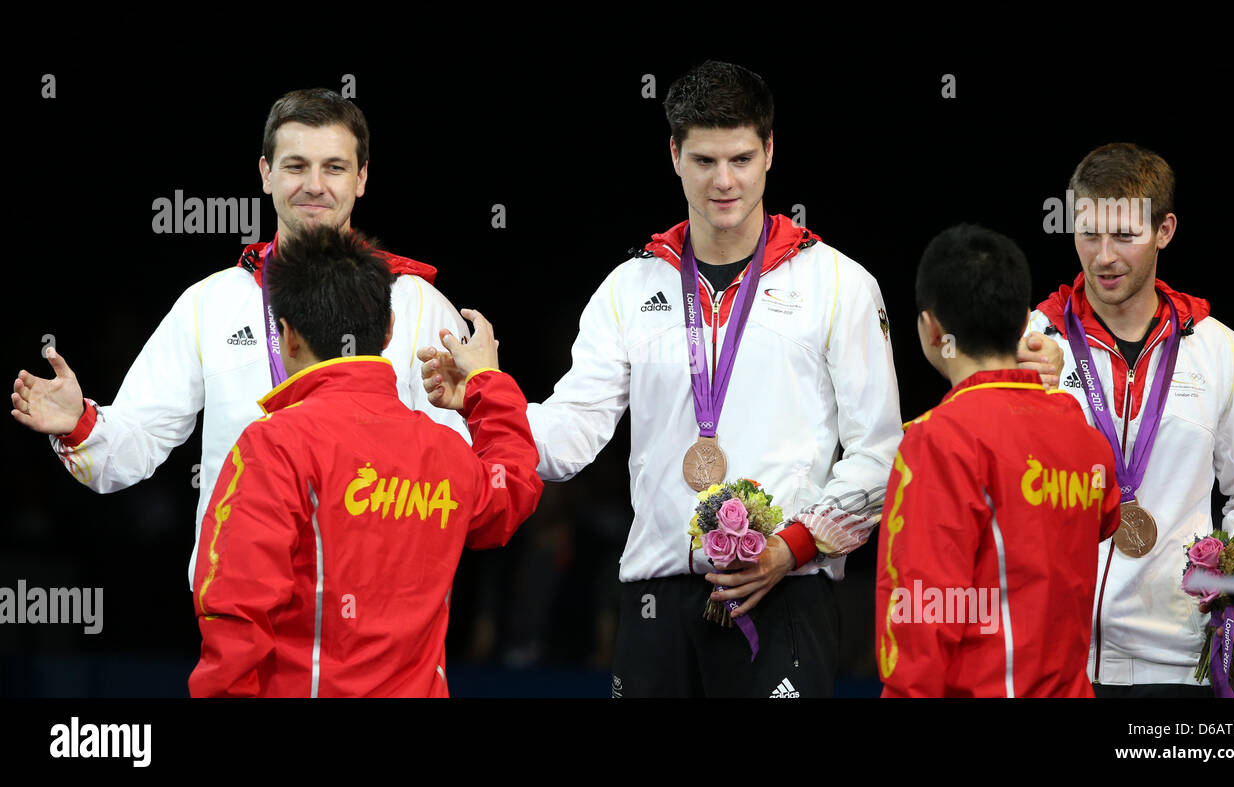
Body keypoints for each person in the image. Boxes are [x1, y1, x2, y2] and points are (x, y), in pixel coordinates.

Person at [423, 61, 1064, 697]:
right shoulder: (630, 287)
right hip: (656, 600)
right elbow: (568, 436)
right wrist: (484, 395)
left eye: (741, 159)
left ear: (770, 151)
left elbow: (879, 451)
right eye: (704, 161)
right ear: (673, 155)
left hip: (787, 588)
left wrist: (794, 546)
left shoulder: (838, 284)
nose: (723, 182)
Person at [11, 88, 470, 589]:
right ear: (265, 173)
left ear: (361, 178)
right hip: (246, 606)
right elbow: (132, 446)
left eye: (334, 168)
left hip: (381, 610)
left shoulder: (418, 304)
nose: (314, 186)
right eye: (295, 166)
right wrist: (79, 423)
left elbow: (461, 473)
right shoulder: (210, 304)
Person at [188, 226, 541, 697]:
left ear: (287, 336)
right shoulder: (446, 453)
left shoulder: (273, 446)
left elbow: (233, 607)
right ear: (390, 329)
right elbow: (510, 490)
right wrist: (486, 386)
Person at [1029, 142, 1234, 697]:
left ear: (1164, 230)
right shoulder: (1031, 342)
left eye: (1124, 235)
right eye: (1088, 233)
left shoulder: (1219, 351)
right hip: (1050, 657)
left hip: (1174, 661)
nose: (1103, 256)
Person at [874, 224, 1121, 697]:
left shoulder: (938, 439)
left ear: (931, 329)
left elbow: (921, 611)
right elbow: (1107, 516)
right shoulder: (1082, 435)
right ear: (1024, 320)